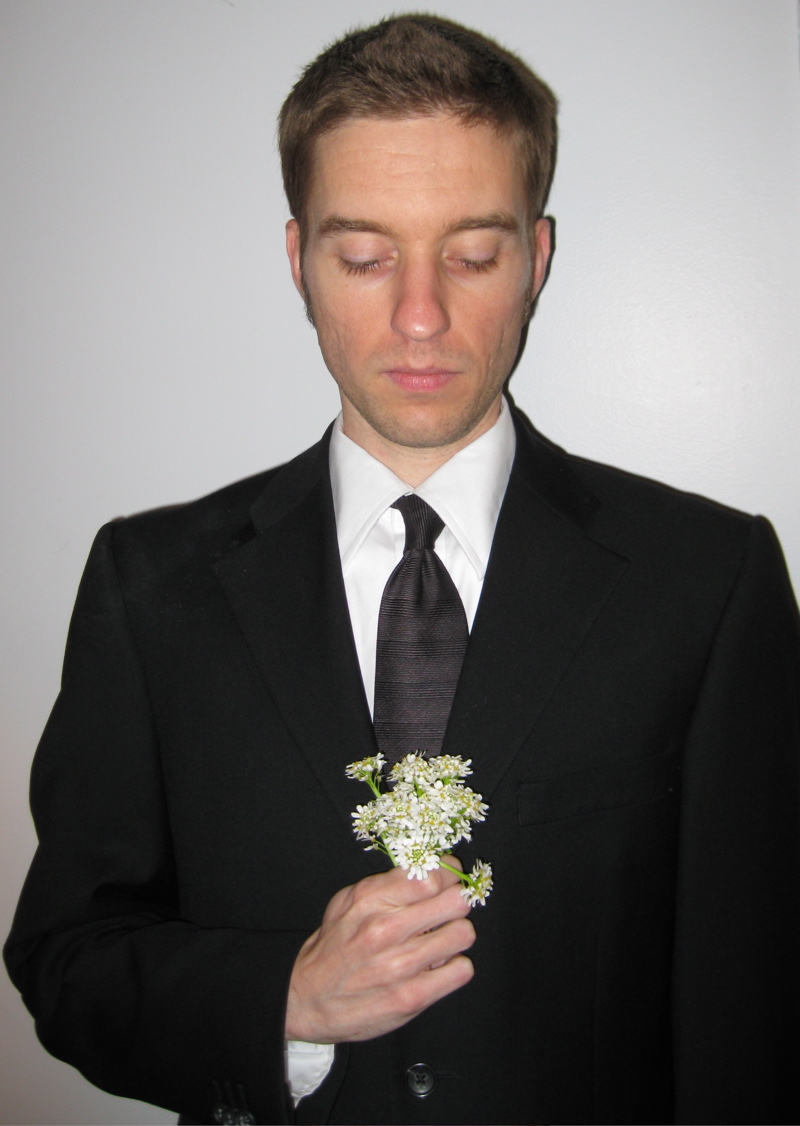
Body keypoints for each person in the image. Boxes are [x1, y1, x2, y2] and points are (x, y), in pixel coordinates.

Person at [4, 14, 799, 1126]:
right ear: (298, 262)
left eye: (471, 255)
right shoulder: (151, 586)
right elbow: (67, 958)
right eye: (365, 257)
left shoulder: (708, 583)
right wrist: (284, 998)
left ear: (537, 257)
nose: (419, 317)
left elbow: (754, 1006)